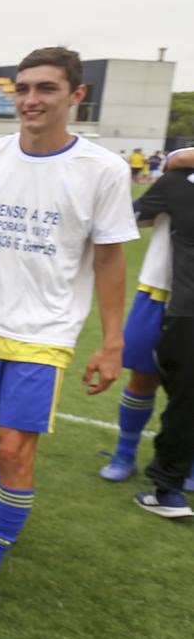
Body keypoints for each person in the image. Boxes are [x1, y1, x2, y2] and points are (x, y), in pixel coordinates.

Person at [0, 47, 136, 622]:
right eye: (24, 89)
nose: (32, 100)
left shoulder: (103, 171)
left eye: (47, 89)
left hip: (44, 334)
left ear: (75, 96)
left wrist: (113, 342)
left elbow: (110, 262)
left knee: (15, 450)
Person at [121, 164, 194, 517]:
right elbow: (131, 217)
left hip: (185, 305)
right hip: (158, 290)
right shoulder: (179, 179)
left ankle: (178, 474)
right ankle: (126, 452)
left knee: (186, 394)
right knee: (143, 374)